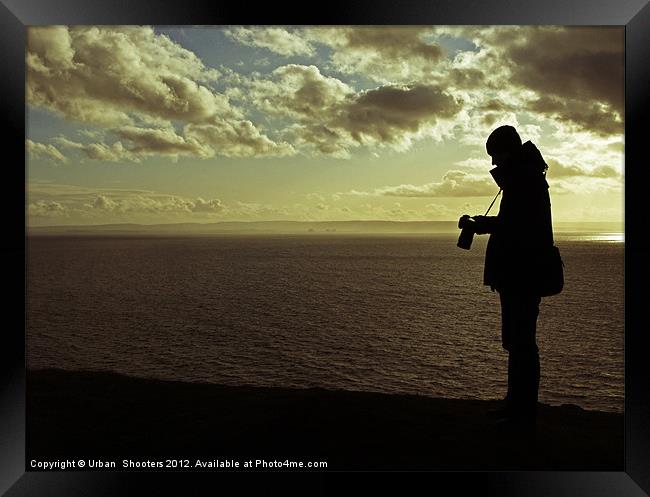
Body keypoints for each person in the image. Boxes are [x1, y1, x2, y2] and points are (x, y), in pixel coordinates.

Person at [458, 125, 554, 425]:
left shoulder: (524, 180)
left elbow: (517, 227)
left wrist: (480, 225)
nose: (493, 164)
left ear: (507, 151)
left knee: (520, 342)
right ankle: (517, 406)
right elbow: (516, 222)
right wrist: (483, 224)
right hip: (523, 271)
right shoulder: (526, 178)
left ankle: (520, 411)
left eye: (495, 156)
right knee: (518, 341)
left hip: (522, 272)